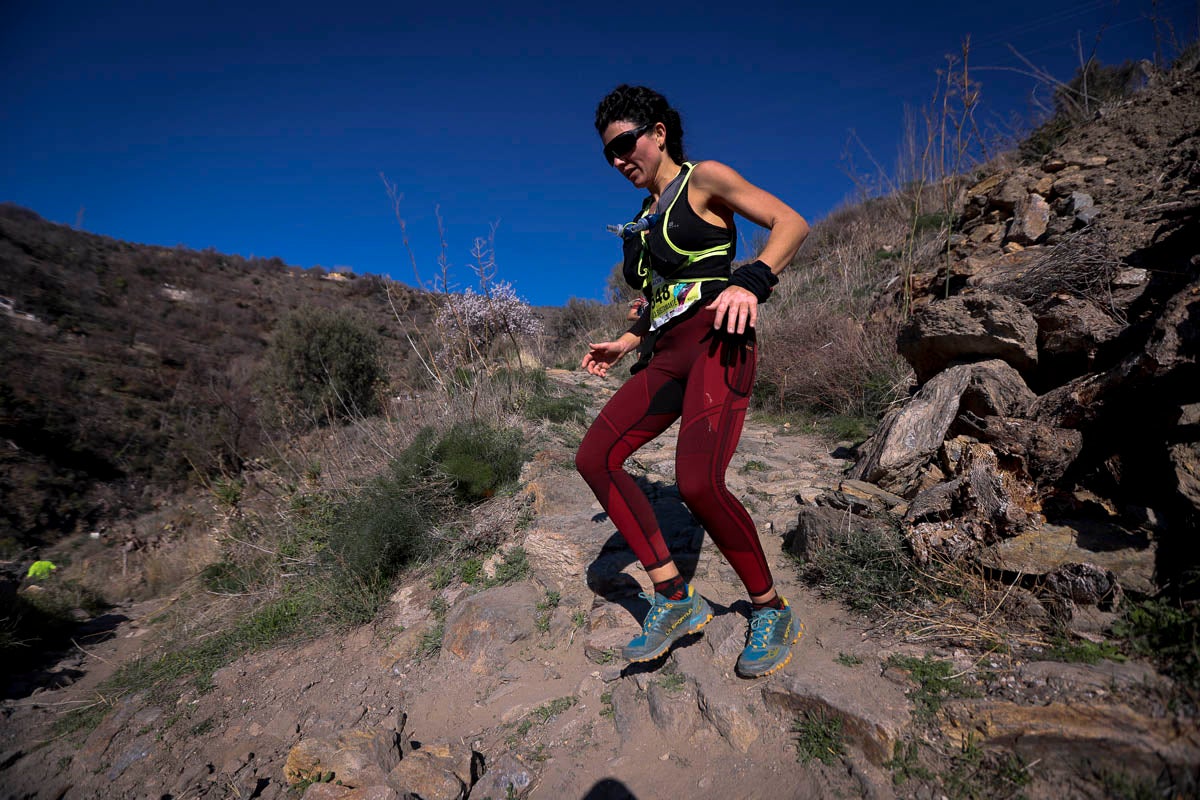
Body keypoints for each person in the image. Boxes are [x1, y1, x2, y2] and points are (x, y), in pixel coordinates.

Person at [575, 85, 810, 678]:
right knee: (595, 457)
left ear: (658, 133)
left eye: (625, 143)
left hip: (718, 342)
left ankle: (771, 609)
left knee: (698, 484)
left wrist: (752, 280)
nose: (618, 159)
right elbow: (660, 297)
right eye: (608, 153)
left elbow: (791, 223)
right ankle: (675, 598)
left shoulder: (702, 179)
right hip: (667, 354)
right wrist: (628, 340)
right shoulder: (641, 219)